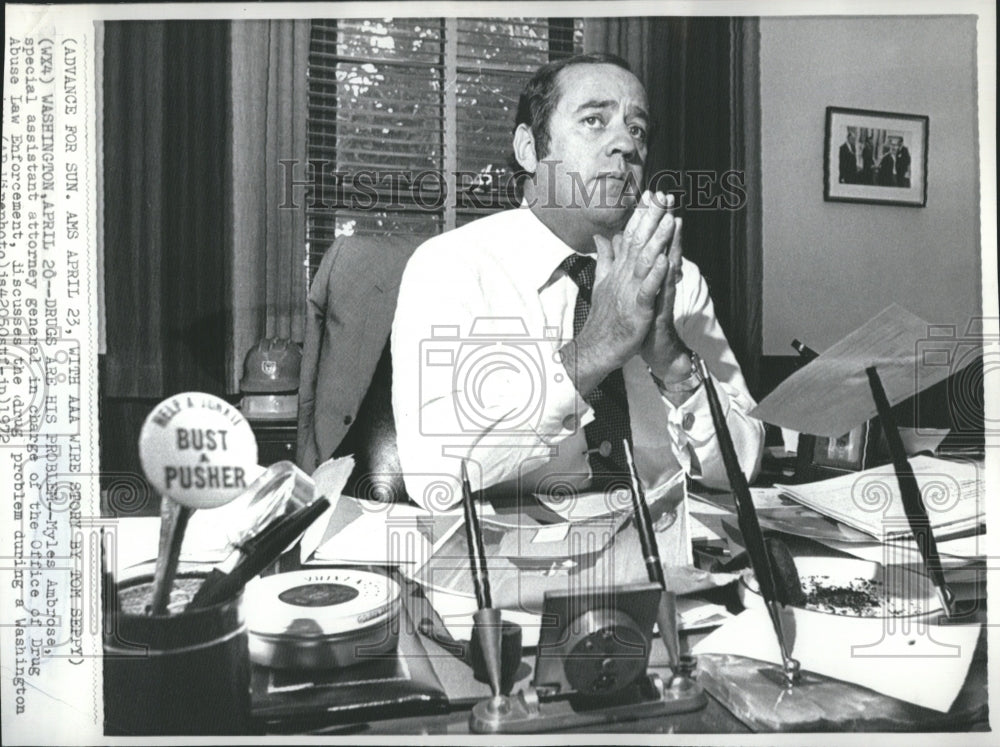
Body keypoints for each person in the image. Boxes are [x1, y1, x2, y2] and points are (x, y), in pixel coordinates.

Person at [391, 53, 764, 512]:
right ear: (530, 149)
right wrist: (594, 349)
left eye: (638, 129)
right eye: (594, 120)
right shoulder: (450, 267)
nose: (626, 145)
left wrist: (672, 362)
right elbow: (435, 478)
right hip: (518, 559)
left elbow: (743, 465)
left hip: (669, 550)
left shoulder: (677, 280)